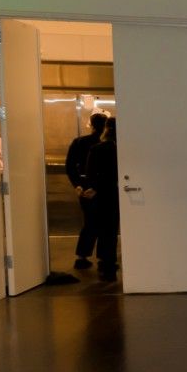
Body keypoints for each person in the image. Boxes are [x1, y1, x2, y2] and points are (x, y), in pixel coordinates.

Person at [65, 112, 107, 269]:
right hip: (104, 189)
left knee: (90, 222)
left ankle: (82, 256)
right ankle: (104, 258)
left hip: (84, 187)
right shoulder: (109, 144)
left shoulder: (79, 142)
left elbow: (70, 166)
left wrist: (77, 184)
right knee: (106, 224)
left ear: (91, 124)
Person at [83, 118, 120, 282]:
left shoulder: (97, 149)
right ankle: (109, 262)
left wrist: (94, 187)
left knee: (103, 229)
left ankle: (104, 262)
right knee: (111, 230)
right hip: (115, 192)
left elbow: (90, 172)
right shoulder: (121, 149)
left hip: (100, 195)